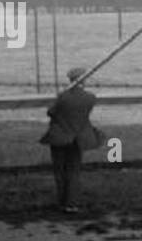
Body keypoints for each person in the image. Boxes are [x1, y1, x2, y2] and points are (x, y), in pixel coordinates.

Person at [39, 67, 102, 212]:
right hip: (78, 138)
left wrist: (60, 96)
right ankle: (72, 203)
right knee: (74, 170)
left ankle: (62, 202)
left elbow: (51, 112)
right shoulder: (90, 97)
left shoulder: (63, 96)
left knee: (60, 170)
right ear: (83, 80)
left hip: (59, 137)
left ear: (70, 80)